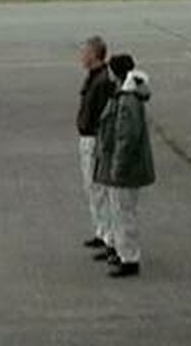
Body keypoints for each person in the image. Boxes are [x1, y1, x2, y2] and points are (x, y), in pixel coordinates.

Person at [92, 54, 155, 278]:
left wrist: (117, 168)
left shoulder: (127, 101)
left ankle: (129, 258)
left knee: (123, 213)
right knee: (120, 212)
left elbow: (125, 138)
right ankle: (122, 252)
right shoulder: (124, 96)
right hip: (120, 167)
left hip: (124, 169)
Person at [76, 36, 114, 254]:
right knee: (92, 188)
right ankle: (101, 230)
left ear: (93, 54)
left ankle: (108, 236)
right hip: (86, 136)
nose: (81, 56)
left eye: (85, 52)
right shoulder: (94, 78)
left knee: (99, 188)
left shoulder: (101, 82)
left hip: (94, 138)